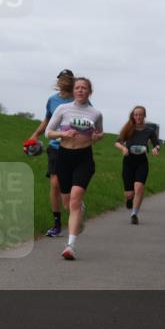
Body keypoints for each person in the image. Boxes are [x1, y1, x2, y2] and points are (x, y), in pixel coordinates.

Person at [45, 77, 103, 260]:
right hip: (63, 157)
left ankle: (70, 246)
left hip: (83, 158)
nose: (80, 90)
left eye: (84, 88)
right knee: (67, 203)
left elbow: (100, 133)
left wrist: (96, 137)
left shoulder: (96, 113)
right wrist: (63, 133)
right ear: (73, 91)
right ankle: (79, 213)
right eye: (77, 88)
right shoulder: (63, 109)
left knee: (75, 199)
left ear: (89, 91)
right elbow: (48, 132)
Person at [25, 69, 75, 237]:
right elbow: (47, 120)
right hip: (55, 147)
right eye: (61, 78)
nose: (64, 81)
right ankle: (57, 224)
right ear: (58, 81)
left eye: (68, 79)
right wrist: (35, 134)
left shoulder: (79, 100)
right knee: (55, 184)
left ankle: (75, 215)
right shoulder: (52, 101)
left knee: (70, 188)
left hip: (74, 147)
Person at [113, 106, 161, 225]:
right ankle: (129, 199)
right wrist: (123, 148)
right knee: (129, 193)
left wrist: (156, 149)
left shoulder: (149, 130)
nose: (138, 117)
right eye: (136, 115)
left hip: (142, 162)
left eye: (140, 115)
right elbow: (117, 142)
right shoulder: (128, 128)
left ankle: (134, 214)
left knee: (139, 187)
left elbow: (157, 144)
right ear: (133, 116)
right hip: (129, 161)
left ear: (144, 116)